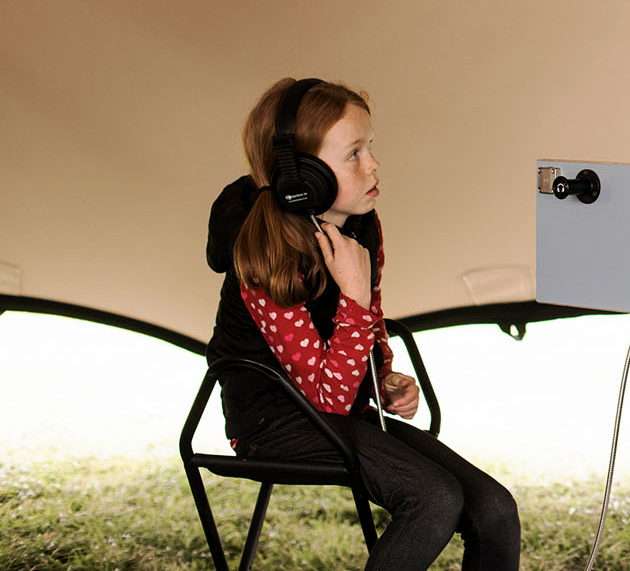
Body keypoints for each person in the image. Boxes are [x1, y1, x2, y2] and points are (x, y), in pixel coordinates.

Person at [205, 77, 521, 571]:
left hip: (341, 413)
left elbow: (368, 335)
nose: (372, 164)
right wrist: (351, 292)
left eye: (369, 147)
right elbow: (324, 400)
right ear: (303, 175)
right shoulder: (263, 253)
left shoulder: (359, 229)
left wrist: (386, 377)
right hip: (275, 422)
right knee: (433, 499)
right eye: (354, 153)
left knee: (494, 509)